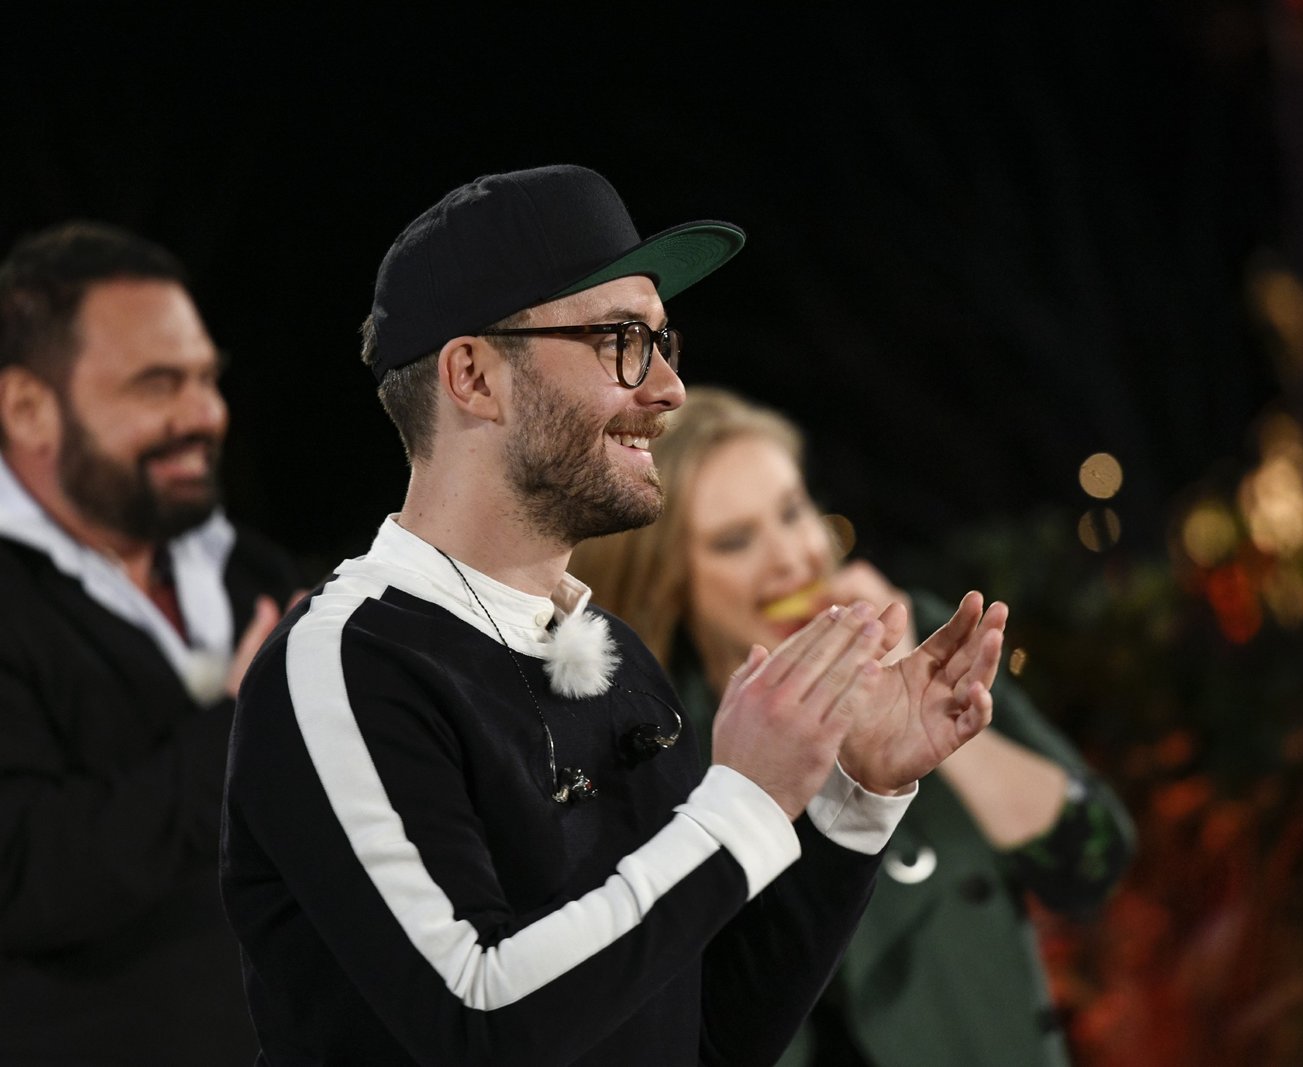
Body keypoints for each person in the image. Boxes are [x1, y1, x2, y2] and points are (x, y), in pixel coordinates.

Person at [219, 164, 1011, 1067]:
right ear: (473, 375)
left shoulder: (613, 658)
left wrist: (851, 797)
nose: (669, 387)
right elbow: (475, 1018)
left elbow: (704, 1038)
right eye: (620, 340)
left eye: (662, 339)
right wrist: (743, 802)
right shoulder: (344, 662)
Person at [569, 385, 1138, 1067]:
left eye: (792, 512)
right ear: (667, 578)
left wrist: (937, 720)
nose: (791, 558)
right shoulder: (653, 743)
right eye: (736, 541)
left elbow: (1094, 861)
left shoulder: (928, 635)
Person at [0, 221, 304, 1065]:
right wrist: (246, 725)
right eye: (157, 384)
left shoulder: (256, 572)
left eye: (207, 377)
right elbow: (22, 875)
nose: (205, 414)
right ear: (26, 407)